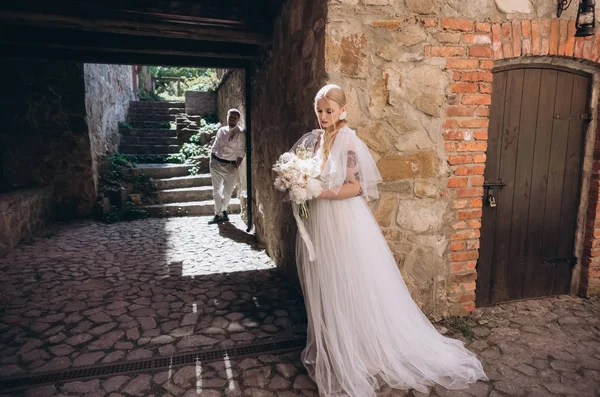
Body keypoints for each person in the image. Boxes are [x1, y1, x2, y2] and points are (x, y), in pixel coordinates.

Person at [288, 84, 488, 397]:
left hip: (342, 222)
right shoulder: (315, 140)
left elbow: (356, 187)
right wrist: (298, 182)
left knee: (348, 284)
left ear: (343, 111)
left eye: (329, 111)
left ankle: (359, 352)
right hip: (319, 222)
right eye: (320, 111)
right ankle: (334, 347)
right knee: (325, 284)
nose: (324, 116)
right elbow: (308, 174)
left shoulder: (349, 141)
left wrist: (318, 192)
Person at [208, 109, 245, 225]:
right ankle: (217, 214)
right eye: (231, 117)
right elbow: (215, 145)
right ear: (227, 117)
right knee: (216, 191)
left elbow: (241, 151)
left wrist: (236, 165)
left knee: (228, 192)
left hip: (230, 166)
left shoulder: (240, 133)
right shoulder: (221, 130)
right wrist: (212, 159)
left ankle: (224, 209)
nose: (232, 119)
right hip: (216, 164)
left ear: (238, 120)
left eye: (235, 118)